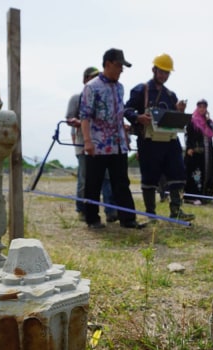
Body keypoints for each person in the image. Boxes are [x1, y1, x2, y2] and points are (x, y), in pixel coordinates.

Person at [123, 53, 194, 221]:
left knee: (177, 172)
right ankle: (150, 213)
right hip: (149, 141)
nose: (164, 76)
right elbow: (127, 110)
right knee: (149, 176)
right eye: (161, 72)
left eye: (167, 73)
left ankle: (176, 210)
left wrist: (179, 111)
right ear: (154, 70)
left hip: (170, 141)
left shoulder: (171, 95)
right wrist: (138, 117)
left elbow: (172, 118)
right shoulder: (142, 90)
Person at [80, 48, 145, 229]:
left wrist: (125, 137)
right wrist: (87, 141)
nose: (121, 70)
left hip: (118, 144)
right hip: (98, 143)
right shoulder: (91, 87)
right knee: (94, 182)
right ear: (108, 64)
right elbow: (85, 116)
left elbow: (119, 116)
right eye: (118, 66)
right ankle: (92, 219)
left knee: (121, 182)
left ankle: (128, 218)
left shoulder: (120, 88)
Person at [66, 66, 118, 223]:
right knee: (84, 178)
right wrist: (79, 122)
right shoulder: (77, 98)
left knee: (107, 179)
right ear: (84, 79)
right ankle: (82, 209)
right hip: (83, 144)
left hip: (103, 145)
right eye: (91, 77)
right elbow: (69, 118)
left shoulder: (104, 96)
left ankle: (111, 211)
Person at [184, 99, 213, 205]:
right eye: (200, 107)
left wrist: (207, 121)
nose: (202, 109)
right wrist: (189, 147)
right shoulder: (192, 120)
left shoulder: (208, 122)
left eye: (204, 107)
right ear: (197, 107)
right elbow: (187, 135)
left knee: (209, 172)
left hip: (207, 153)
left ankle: (206, 196)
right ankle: (192, 197)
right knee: (195, 174)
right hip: (195, 153)